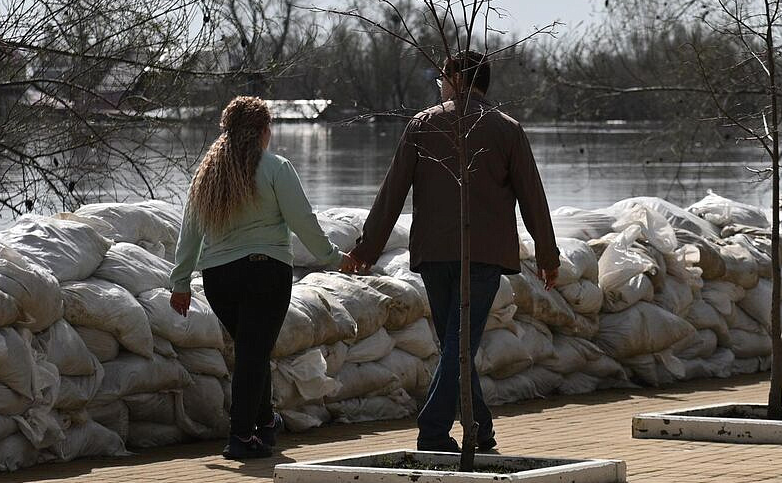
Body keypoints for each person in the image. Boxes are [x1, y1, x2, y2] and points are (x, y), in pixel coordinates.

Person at [340, 51, 558, 453]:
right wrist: (547, 255)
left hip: (434, 253)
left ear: (458, 78)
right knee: (459, 346)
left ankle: (477, 430)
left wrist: (366, 249)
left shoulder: (423, 125)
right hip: (484, 254)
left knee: (456, 346)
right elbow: (534, 199)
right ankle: (434, 431)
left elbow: (392, 193)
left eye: (442, 75)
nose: (439, 83)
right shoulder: (507, 130)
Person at [172, 96, 340, 461]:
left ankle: (264, 423)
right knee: (253, 349)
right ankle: (241, 434)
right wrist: (331, 258)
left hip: (218, 278)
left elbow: (190, 231)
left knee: (252, 348)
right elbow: (303, 220)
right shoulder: (276, 168)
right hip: (266, 272)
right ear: (265, 131)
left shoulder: (209, 174)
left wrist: (181, 282)